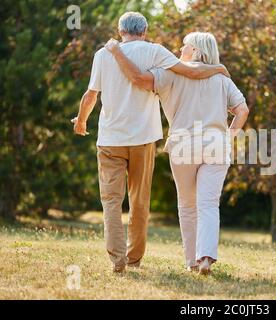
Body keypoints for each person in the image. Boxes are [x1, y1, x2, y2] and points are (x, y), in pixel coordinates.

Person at [72, 12, 229, 273]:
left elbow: (91, 95)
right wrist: (218, 68)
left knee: (111, 201)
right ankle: (134, 259)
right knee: (140, 201)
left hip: (110, 139)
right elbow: (189, 70)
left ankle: (117, 259)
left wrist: (81, 120)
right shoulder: (155, 51)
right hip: (143, 139)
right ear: (144, 31)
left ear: (120, 30)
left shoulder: (103, 54)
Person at [105, 31, 249, 275]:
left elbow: (139, 80)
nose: (179, 50)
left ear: (195, 50)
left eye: (184, 46)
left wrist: (117, 53)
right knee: (209, 204)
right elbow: (242, 110)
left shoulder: (170, 74)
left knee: (187, 205)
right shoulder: (221, 77)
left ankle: (191, 261)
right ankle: (205, 258)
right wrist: (229, 136)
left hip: (183, 144)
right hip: (216, 144)